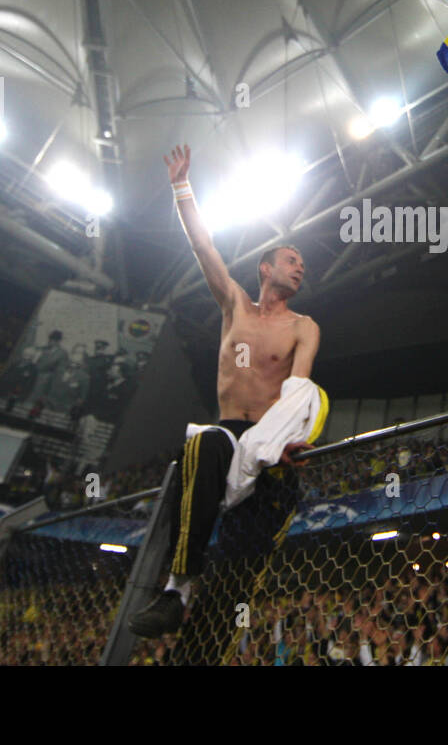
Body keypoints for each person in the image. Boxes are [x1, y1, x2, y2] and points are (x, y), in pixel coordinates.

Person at [128, 144, 323, 638]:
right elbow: (202, 245)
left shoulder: (304, 326)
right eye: (292, 259)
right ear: (266, 268)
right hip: (229, 435)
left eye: (303, 264)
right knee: (203, 441)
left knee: (237, 578)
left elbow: (300, 391)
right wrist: (181, 186)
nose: (300, 267)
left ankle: (212, 621)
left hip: (271, 441)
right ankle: (176, 591)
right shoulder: (234, 303)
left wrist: (286, 443)